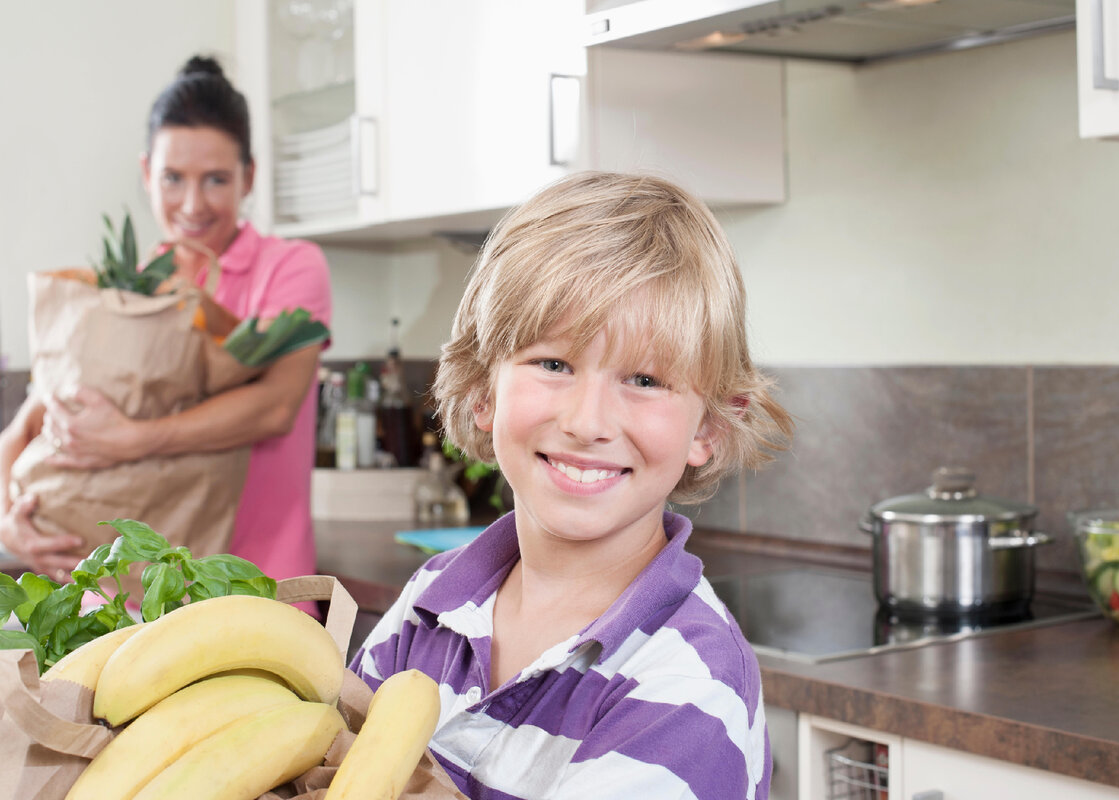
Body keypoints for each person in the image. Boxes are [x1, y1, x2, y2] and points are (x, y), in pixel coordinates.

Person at [351, 171, 794, 799]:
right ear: (483, 391)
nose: (587, 423)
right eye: (553, 364)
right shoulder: (433, 601)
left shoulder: (687, 681)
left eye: (644, 380)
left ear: (712, 426)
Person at [0, 55, 332, 591]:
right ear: (146, 173)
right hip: (138, 599)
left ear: (249, 176)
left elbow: (274, 407)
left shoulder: (290, 268)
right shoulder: (128, 289)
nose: (192, 204)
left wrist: (131, 439)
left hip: (260, 588)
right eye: (173, 178)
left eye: (216, 180)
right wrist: (7, 516)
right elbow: (27, 425)